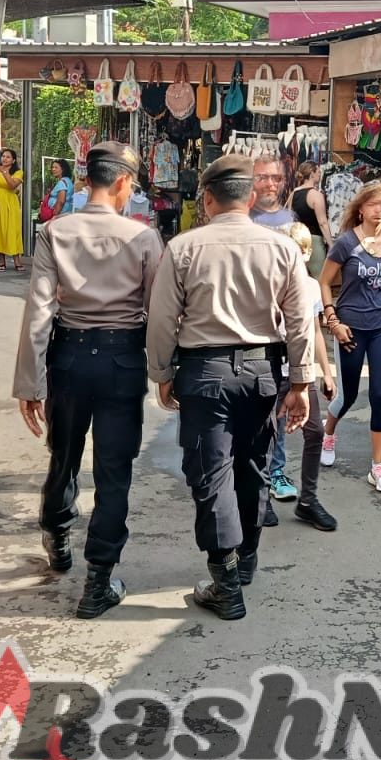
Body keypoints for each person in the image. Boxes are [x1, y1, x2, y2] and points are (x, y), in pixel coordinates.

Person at [145, 155, 314, 621]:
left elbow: (161, 320)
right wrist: (301, 382)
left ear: (207, 198)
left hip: (205, 373)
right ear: (253, 195)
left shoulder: (183, 247)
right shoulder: (281, 248)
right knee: (255, 467)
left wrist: (160, 373)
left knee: (211, 473)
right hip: (263, 372)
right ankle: (246, 565)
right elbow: (301, 321)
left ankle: (226, 582)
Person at [13, 144, 163, 619]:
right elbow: (159, 313)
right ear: (122, 182)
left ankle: (57, 538)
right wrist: (164, 372)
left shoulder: (54, 231)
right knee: (115, 472)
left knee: (64, 455)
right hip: (123, 360)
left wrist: (30, 382)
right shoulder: (142, 238)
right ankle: (98, 582)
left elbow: (39, 310)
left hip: (69, 358)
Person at [319, 179, 381, 493]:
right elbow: (324, 281)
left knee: (379, 396)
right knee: (348, 395)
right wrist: (333, 320)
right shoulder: (346, 243)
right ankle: (328, 435)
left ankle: (378, 467)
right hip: (350, 328)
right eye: (374, 204)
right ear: (361, 209)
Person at [281, 221, 339, 531]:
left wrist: (326, 373)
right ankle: (261, 497)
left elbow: (316, 330)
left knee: (315, 431)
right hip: (272, 371)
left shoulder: (312, 286)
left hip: (302, 373)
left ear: (306, 253)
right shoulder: (269, 284)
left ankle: (308, 500)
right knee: (265, 436)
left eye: (296, 252)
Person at [251, 158, 300, 499]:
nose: (271, 183)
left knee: (279, 410)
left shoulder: (290, 220)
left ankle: (275, 473)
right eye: (263, 177)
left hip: (283, 329)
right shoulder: (240, 217)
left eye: (276, 178)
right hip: (247, 328)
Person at [289, 162, 333, 277]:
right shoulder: (316, 195)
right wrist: (331, 244)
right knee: (320, 279)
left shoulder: (294, 193)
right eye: (318, 172)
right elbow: (322, 222)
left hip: (297, 239)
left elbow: (289, 217)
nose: (320, 174)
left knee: (300, 280)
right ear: (312, 174)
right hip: (313, 240)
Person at [40, 159, 73, 226]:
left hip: (60, 216)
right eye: (52, 167)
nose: (53, 169)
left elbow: (61, 201)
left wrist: (54, 216)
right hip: (65, 215)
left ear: (63, 169)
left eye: (56, 167)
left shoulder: (62, 182)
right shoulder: (68, 180)